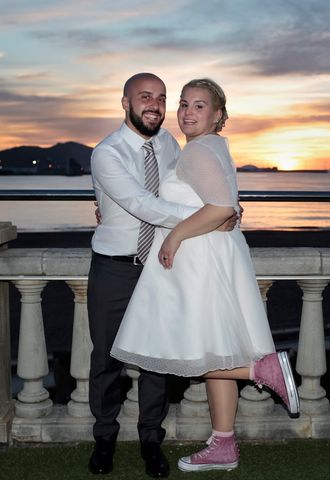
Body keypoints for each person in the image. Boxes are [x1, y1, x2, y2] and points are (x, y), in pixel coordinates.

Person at [111, 78, 299, 473]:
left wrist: (174, 237)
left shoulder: (197, 151)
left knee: (181, 351)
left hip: (197, 261)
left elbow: (220, 207)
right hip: (214, 255)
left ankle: (259, 370)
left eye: (199, 106)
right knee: (214, 346)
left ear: (217, 115)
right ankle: (224, 444)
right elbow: (225, 207)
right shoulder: (212, 147)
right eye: (184, 104)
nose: (187, 112)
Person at [87, 72, 236, 478]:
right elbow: (143, 204)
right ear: (125, 102)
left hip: (160, 264)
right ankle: (104, 441)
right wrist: (211, 217)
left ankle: (151, 442)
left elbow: (197, 191)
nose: (155, 104)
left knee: (156, 360)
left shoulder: (171, 144)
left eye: (161, 98)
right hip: (114, 270)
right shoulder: (107, 152)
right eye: (145, 96)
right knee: (106, 360)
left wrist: (222, 208)